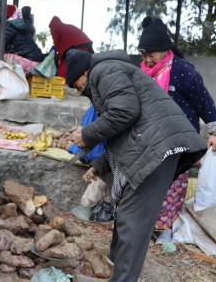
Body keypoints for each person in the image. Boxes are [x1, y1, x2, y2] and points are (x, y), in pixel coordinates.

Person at [65, 48, 206, 282]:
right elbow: (124, 134)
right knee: (126, 215)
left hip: (159, 150)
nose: (80, 92)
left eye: (77, 85)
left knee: (132, 221)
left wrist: (87, 135)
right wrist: (99, 166)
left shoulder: (103, 70)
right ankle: (114, 264)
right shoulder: (110, 72)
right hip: (152, 148)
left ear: (86, 71)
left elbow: (125, 112)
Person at [137, 16, 216, 233]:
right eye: (143, 54)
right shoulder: (144, 73)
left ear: (165, 50)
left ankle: (164, 229)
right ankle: (146, 223)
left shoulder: (184, 71)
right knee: (150, 182)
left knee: (173, 186)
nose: (147, 60)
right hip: (152, 138)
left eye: (151, 55)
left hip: (179, 141)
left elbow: (204, 100)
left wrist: (214, 132)